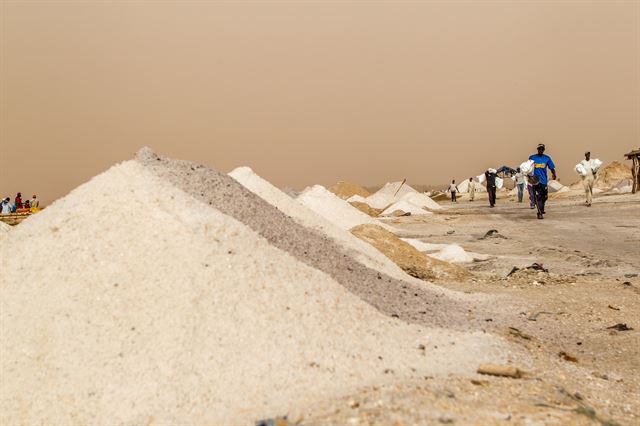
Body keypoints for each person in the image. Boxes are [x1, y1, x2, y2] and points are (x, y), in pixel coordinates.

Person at [529, 143, 557, 219]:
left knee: (544, 196)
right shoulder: (532, 158)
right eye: (539, 149)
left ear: (543, 150)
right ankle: (539, 213)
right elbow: (528, 167)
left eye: (542, 149)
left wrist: (554, 174)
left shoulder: (547, 158)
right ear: (537, 149)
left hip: (544, 181)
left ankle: (541, 208)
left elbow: (552, 167)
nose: (540, 150)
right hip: (535, 180)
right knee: (538, 197)